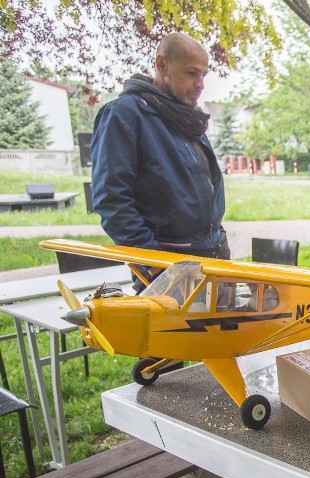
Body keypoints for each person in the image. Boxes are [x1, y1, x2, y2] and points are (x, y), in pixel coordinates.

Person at [91, 32, 229, 293]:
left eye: (203, 75)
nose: (200, 83)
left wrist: (218, 236)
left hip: (213, 259)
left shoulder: (187, 118)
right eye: (191, 73)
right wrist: (155, 263)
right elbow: (112, 201)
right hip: (168, 271)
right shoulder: (125, 115)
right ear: (162, 65)